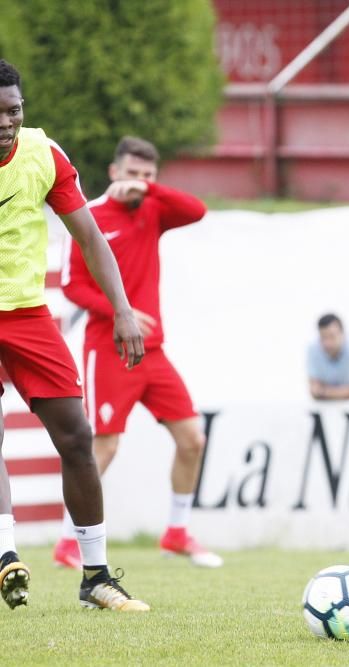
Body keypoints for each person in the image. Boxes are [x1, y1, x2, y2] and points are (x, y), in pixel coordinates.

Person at [0, 60, 149, 611]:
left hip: (28, 315)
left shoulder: (44, 154)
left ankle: (96, 578)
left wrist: (123, 309)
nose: (5, 121)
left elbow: (88, 234)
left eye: (13, 109)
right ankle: (5, 557)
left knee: (78, 439)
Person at [56, 136, 222, 569]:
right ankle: (67, 541)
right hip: (108, 350)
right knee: (103, 447)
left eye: (149, 175)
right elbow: (72, 285)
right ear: (114, 173)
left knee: (192, 439)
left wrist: (150, 190)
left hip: (154, 352)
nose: (139, 183)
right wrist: (119, 310)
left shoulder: (153, 208)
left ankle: (177, 533)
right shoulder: (87, 215)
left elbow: (197, 210)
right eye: (133, 174)